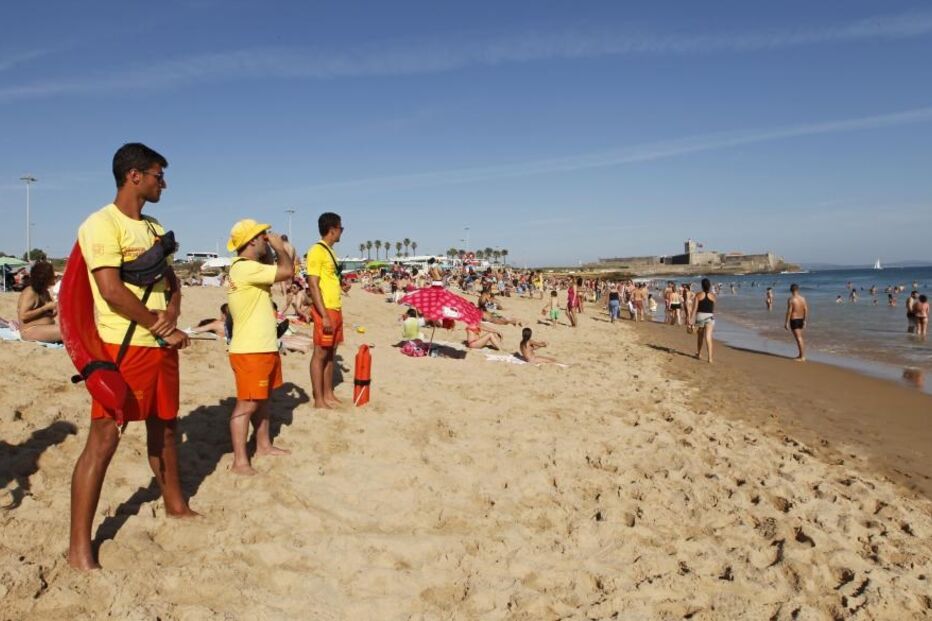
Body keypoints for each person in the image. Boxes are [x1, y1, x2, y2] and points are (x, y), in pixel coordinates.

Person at [69, 143, 195, 570]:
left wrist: (173, 311)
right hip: (124, 348)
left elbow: (172, 282)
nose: (165, 183)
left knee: (164, 431)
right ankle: (79, 547)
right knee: (103, 441)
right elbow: (110, 290)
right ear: (134, 176)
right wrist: (161, 324)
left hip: (160, 349)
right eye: (160, 175)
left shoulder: (155, 226)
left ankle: (176, 505)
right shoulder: (101, 224)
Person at [225, 219, 294, 474]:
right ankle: (239, 461)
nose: (267, 237)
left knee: (263, 400)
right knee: (247, 404)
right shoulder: (243, 268)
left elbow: (273, 270)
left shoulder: (250, 268)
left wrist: (271, 249)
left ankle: (263, 445)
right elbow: (287, 271)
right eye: (262, 235)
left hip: (262, 346)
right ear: (252, 240)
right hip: (250, 349)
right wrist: (279, 247)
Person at [306, 212, 349, 409]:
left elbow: (329, 279)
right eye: (341, 228)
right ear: (332, 230)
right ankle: (318, 399)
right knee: (320, 353)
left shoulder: (330, 251)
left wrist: (342, 285)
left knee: (331, 352)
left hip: (335, 307)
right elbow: (313, 284)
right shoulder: (317, 250)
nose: (342, 231)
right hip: (326, 309)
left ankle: (328, 393)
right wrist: (323, 315)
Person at [17, 261, 62, 343]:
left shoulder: (44, 292)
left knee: (70, 329)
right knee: (65, 331)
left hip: (44, 327)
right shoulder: (30, 292)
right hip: (29, 331)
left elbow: (49, 313)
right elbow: (23, 315)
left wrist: (55, 309)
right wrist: (45, 308)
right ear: (45, 278)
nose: (54, 276)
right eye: (52, 274)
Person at [688, 278, 716, 363]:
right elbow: (713, 309)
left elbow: (694, 308)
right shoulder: (713, 296)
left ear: (702, 285)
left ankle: (699, 354)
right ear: (709, 285)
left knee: (700, 337)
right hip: (710, 317)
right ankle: (710, 358)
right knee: (708, 337)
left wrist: (691, 319)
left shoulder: (698, 295)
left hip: (700, 316)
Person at [785, 283, 808, 361]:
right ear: (798, 289)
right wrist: (805, 320)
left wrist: (786, 322)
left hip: (794, 319)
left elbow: (789, 311)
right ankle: (800, 355)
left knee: (799, 338)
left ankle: (802, 357)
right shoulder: (803, 298)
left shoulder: (791, 299)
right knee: (800, 338)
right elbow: (806, 309)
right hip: (801, 319)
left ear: (791, 290)